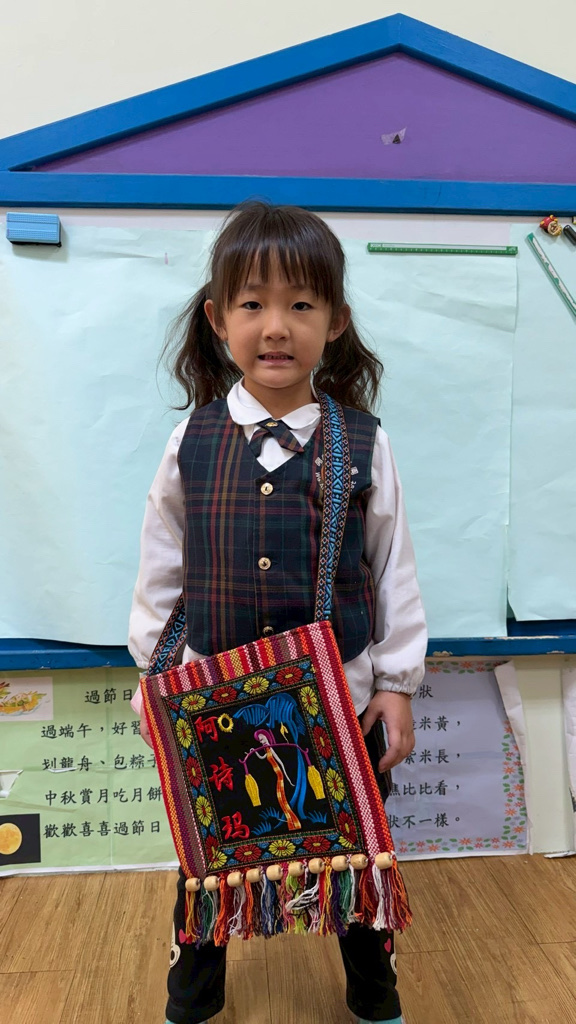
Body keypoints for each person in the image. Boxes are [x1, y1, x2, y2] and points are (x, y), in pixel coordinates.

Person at [128, 201, 427, 1024]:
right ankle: (192, 1004)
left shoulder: (363, 441)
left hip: (341, 702)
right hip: (212, 698)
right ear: (218, 319)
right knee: (207, 867)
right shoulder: (189, 442)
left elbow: (392, 568)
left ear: (335, 322)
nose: (276, 327)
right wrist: (155, 680)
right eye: (253, 304)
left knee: (358, 860)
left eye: (301, 304)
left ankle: (376, 1000)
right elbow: (161, 570)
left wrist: (396, 683)